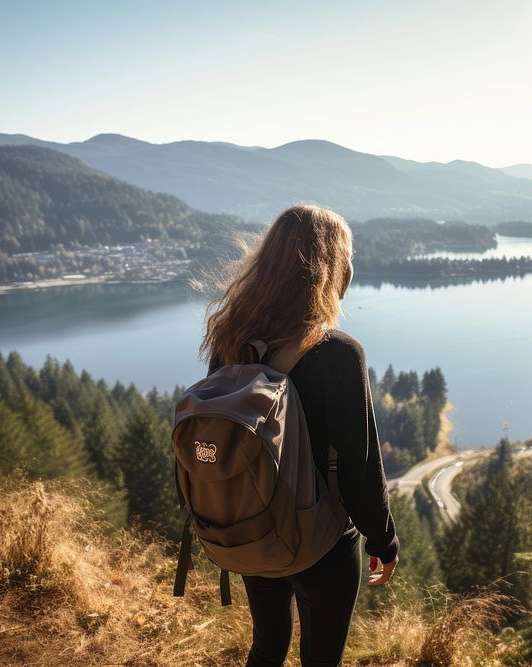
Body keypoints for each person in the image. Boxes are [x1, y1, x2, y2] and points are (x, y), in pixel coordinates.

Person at [200, 204, 399, 666]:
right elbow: (358, 465)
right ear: (331, 269)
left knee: (267, 645)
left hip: (250, 525)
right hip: (321, 542)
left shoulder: (232, 338)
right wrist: (383, 539)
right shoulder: (337, 352)